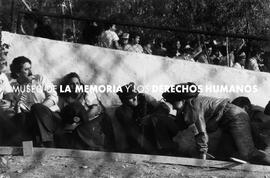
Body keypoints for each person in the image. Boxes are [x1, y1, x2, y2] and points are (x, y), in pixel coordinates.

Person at [162, 82, 270, 165]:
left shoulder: (193, 105)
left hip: (234, 116)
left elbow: (201, 132)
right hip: (227, 119)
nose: (172, 105)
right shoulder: (190, 105)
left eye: (173, 101)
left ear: (184, 100)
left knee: (248, 153)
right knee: (225, 153)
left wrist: (202, 156)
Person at [115, 82, 179, 155]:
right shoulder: (122, 111)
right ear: (124, 101)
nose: (134, 98)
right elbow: (128, 129)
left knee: (157, 119)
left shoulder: (144, 98)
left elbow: (164, 108)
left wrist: (150, 117)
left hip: (153, 131)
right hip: (138, 137)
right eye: (130, 98)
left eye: (135, 95)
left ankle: (166, 148)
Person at [9, 56, 60, 147]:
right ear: (17, 73)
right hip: (31, 120)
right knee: (20, 117)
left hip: (50, 116)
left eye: (30, 68)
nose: (30, 72)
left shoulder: (40, 79)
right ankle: (27, 149)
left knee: (37, 108)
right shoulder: (13, 88)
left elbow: (53, 97)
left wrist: (39, 109)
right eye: (26, 69)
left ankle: (48, 145)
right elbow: (15, 108)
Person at [57, 72, 115, 151]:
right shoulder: (66, 99)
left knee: (80, 130)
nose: (75, 86)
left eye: (77, 83)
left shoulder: (87, 93)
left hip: (96, 119)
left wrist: (78, 122)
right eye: (72, 84)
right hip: (78, 122)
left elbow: (95, 109)